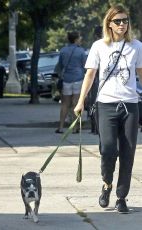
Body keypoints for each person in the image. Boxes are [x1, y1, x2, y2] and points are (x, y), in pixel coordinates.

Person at [74, 5, 142, 213]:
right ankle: (107, 184)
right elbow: (90, 75)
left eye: (125, 20)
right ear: (109, 24)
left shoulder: (137, 46)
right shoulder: (99, 46)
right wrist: (80, 100)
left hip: (130, 104)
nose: (122, 24)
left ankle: (121, 197)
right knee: (108, 149)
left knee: (128, 152)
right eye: (118, 21)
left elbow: (140, 72)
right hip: (106, 105)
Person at [55, 31, 87, 133]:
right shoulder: (81, 51)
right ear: (76, 39)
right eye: (79, 38)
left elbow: (59, 66)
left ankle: (60, 127)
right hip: (78, 79)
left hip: (66, 80)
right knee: (75, 104)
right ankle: (75, 127)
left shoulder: (63, 51)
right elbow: (85, 65)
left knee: (65, 104)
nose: (81, 39)